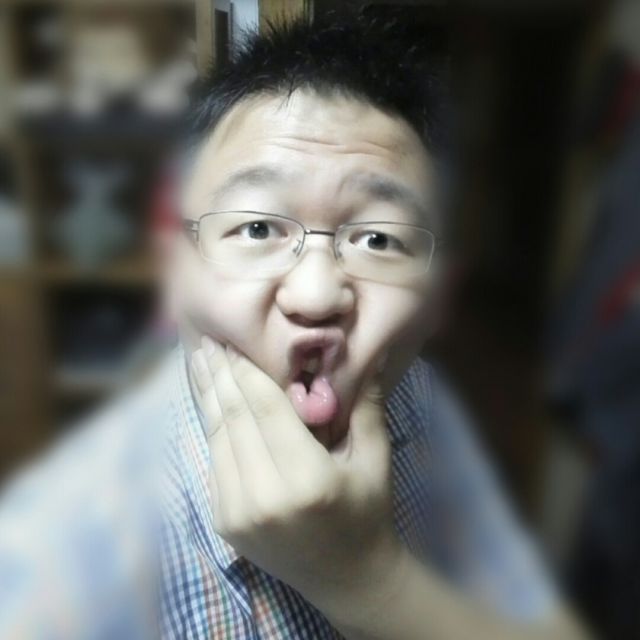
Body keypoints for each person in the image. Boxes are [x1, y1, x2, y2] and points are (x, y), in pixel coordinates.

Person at [0, 13, 590, 640]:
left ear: (438, 301)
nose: (315, 296)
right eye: (257, 228)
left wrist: (369, 582)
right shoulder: (50, 571)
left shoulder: (421, 396)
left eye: (379, 239)